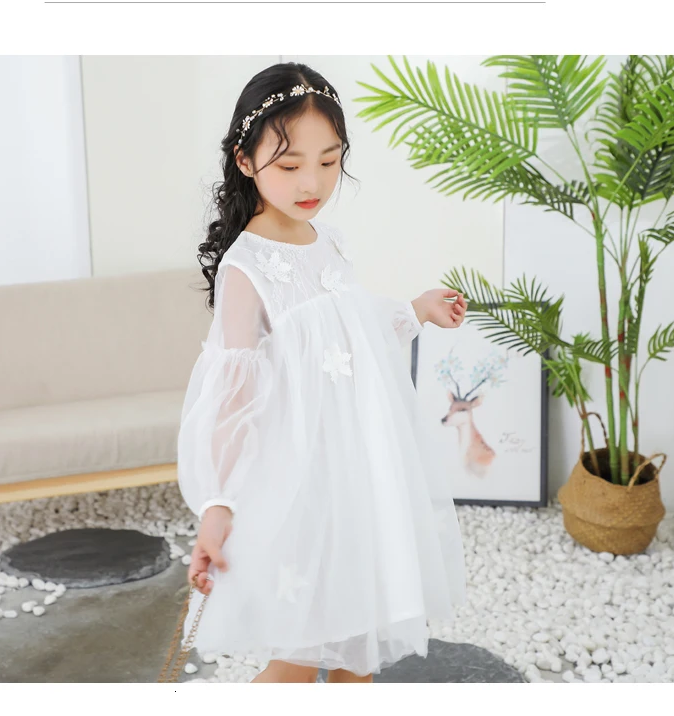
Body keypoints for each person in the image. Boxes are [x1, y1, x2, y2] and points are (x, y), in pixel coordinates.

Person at [177, 62, 468, 684]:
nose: (312, 181)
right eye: (289, 165)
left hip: (358, 473)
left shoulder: (326, 240)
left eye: (329, 160)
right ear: (245, 160)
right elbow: (232, 396)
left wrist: (416, 310)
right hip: (300, 481)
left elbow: (348, 332)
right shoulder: (247, 268)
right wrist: (219, 502)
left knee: (360, 639)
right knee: (299, 650)